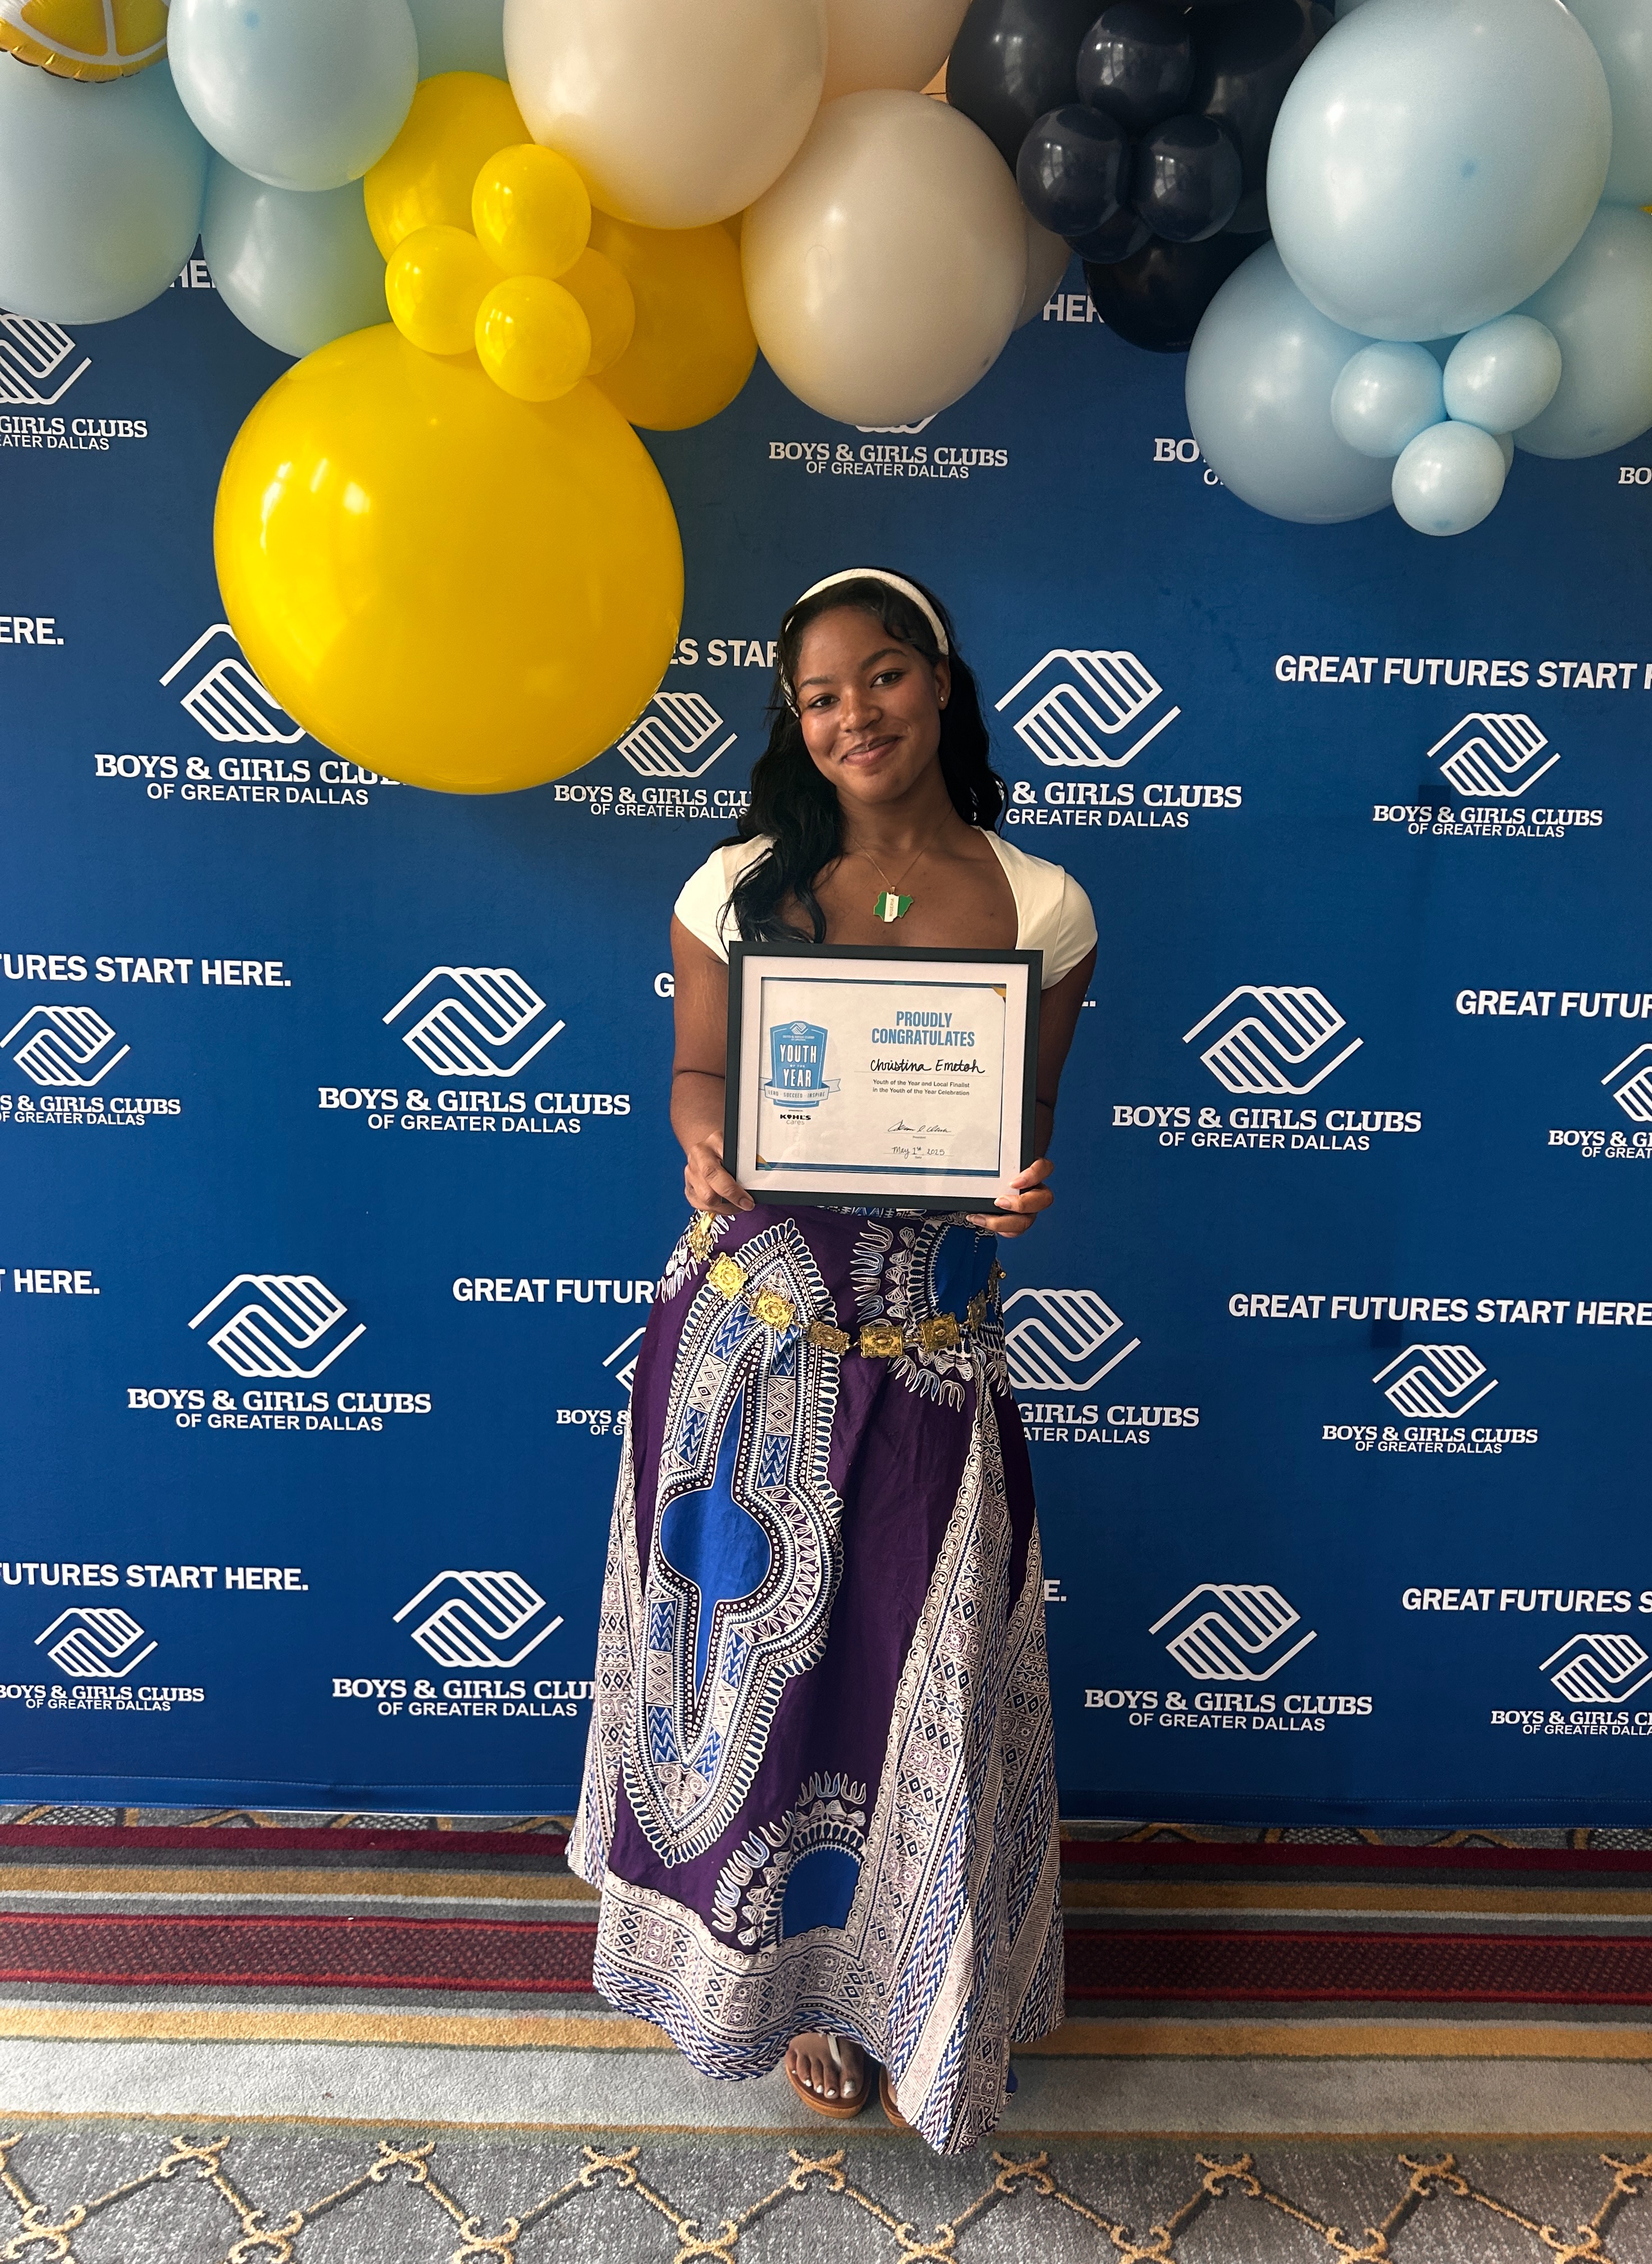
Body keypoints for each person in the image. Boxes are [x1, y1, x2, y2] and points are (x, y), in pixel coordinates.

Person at [567, 568, 1097, 2154]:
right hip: (749, 1345)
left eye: (882, 676)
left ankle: (900, 1992)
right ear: (792, 721)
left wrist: (1019, 1184)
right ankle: (782, 1990)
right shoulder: (735, 885)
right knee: (748, 1676)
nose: (853, 713)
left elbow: (1026, 1118)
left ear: (941, 682)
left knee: (899, 1679)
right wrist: (704, 1139)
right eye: (818, 694)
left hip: (927, 1351)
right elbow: (697, 1072)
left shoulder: (1045, 906)